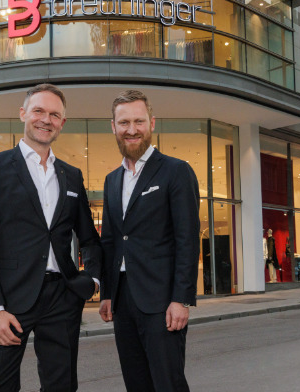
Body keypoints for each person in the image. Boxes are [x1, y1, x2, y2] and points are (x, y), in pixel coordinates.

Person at [0, 83, 102, 392]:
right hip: (9, 299)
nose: (46, 119)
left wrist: (93, 280)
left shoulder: (71, 175)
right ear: (23, 114)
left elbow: (90, 238)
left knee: (62, 386)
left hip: (62, 297)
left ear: (62, 123)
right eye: (39, 111)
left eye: (55, 114)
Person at [98, 90, 200, 392]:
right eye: (124, 122)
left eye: (139, 121)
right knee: (136, 382)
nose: (132, 129)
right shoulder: (111, 179)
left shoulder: (176, 171)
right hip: (123, 300)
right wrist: (107, 292)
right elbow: (110, 240)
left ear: (151, 123)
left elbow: (187, 240)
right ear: (113, 126)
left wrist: (181, 299)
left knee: (167, 383)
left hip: (162, 300)